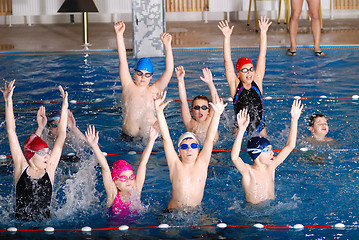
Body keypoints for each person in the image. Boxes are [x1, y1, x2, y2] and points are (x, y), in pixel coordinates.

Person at [1, 80, 68, 221]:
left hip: (45, 227)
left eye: (48, 152)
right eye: (43, 153)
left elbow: (61, 136)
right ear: (30, 155)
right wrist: (8, 101)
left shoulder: (49, 169)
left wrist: (65, 105)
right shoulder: (21, 167)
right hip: (21, 229)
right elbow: (11, 131)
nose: (48, 156)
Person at [154, 91, 226, 210]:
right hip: (173, 213)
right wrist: (159, 112)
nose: (189, 149)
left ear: (198, 150)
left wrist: (217, 114)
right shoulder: (175, 164)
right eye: (184, 147)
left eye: (193, 146)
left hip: (196, 214)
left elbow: (209, 140)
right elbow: (166, 139)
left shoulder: (202, 163)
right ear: (179, 152)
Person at [231, 99, 303, 204]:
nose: (272, 153)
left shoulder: (271, 167)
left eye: (271, 149)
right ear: (256, 153)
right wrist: (241, 130)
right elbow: (234, 157)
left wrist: (294, 119)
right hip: (252, 214)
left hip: (270, 210)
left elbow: (290, 146)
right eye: (267, 150)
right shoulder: (247, 171)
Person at [114, 21, 174, 140]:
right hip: (128, 138)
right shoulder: (128, 86)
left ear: (151, 76)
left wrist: (167, 46)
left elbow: (169, 71)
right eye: (140, 73)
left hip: (151, 138)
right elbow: (123, 60)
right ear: (134, 73)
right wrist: (119, 35)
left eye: (147, 75)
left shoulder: (155, 89)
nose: (143, 77)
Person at [85, 123, 158, 216]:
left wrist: (151, 139)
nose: (129, 181)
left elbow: (143, 164)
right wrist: (95, 146)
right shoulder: (113, 194)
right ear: (115, 181)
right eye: (123, 178)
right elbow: (106, 169)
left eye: (131, 177)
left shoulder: (136, 188)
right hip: (114, 228)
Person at [218, 16, 272, 137]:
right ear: (238, 73)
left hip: (260, 130)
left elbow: (262, 55)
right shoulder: (235, 84)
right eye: (245, 70)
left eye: (251, 69)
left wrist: (263, 32)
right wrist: (226, 37)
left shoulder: (257, 80)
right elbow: (227, 60)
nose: (249, 73)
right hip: (239, 132)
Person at [176, 66, 219, 144]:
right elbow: (183, 101)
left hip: (215, 150)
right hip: (196, 151)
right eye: (196, 107)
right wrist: (180, 80)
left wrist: (210, 83)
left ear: (208, 111)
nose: (200, 110)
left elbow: (216, 102)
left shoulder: (211, 120)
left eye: (204, 107)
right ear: (192, 111)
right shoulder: (189, 123)